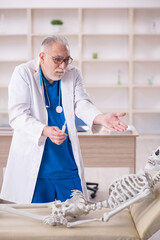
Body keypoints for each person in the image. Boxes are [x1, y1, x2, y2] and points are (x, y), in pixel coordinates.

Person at [0, 35, 127, 204]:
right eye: (57, 60)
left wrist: (101, 118)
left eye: (67, 60)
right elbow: (18, 115)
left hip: (65, 162)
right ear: (42, 56)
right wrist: (45, 130)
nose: (63, 66)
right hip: (36, 164)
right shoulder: (23, 73)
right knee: (37, 220)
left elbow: (81, 103)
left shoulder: (73, 74)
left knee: (75, 214)